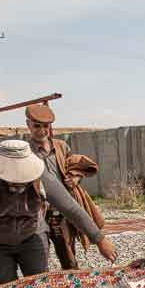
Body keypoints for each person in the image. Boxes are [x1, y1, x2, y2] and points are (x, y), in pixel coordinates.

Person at [0, 139, 117, 288]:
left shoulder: (41, 177)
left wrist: (99, 239)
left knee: (39, 287)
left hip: (31, 235)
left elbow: (70, 208)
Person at [26, 103, 104, 269]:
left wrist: (76, 178)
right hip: (38, 213)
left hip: (61, 212)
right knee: (38, 258)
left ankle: (72, 282)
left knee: (68, 258)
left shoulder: (60, 146)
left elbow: (73, 166)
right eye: (37, 126)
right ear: (28, 125)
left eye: (45, 126)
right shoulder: (25, 152)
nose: (41, 131)